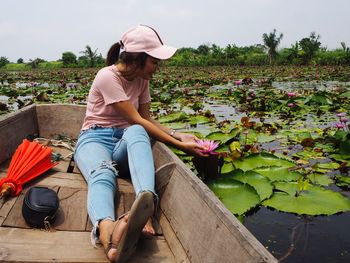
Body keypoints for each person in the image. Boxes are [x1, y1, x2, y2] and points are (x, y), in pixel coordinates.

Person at [74, 24, 206, 263]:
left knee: (136, 130)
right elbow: (135, 117)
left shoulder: (142, 79)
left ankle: (144, 205)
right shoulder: (107, 76)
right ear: (138, 58)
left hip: (125, 141)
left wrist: (179, 135)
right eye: (154, 62)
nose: (157, 68)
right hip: (94, 138)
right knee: (102, 174)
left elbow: (144, 120)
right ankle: (108, 236)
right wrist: (180, 146)